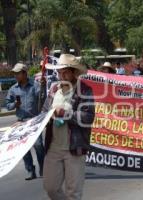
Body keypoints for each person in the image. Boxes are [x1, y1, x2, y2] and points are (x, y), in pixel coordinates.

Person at [42, 54, 95, 199]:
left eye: (65, 71)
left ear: (73, 72)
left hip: (74, 148)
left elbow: (88, 117)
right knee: (51, 188)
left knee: (73, 192)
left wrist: (65, 114)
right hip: (53, 147)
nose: (61, 74)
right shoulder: (54, 90)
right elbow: (44, 113)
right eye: (59, 71)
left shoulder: (84, 91)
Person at [6, 63, 45, 180]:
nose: (16, 76)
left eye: (18, 73)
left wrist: (43, 87)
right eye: (14, 73)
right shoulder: (13, 89)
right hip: (21, 122)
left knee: (38, 145)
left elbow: (42, 98)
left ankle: (43, 168)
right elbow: (7, 105)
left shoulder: (35, 85)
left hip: (34, 121)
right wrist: (14, 104)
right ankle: (30, 170)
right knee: (23, 148)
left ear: (24, 73)